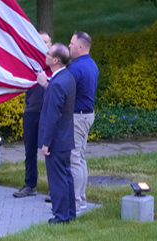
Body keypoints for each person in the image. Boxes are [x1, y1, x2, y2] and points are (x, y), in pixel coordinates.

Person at [38, 43, 77, 224]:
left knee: (57, 179)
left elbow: (53, 116)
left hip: (56, 140)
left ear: (55, 60)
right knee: (66, 176)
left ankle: (61, 216)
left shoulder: (57, 83)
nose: (45, 55)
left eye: (48, 53)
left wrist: (46, 143)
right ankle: (69, 213)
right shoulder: (67, 77)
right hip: (65, 137)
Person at [13, 32, 52, 198]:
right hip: (31, 112)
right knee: (29, 151)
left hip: (48, 114)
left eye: (46, 42)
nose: (43, 45)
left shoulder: (56, 65)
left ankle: (54, 189)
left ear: (51, 44)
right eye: (39, 41)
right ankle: (30, 185)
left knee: (51, 152)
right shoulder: (29, 63)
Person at [67, 31, 99, 213]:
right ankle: (82, 200)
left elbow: (63, 90)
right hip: (86, 114)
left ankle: (76, 203)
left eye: (71, 43)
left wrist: (46, 84)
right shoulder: (90, 64)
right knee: (80, 157)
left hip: (77, 117)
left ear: (80, 47)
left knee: (74, 160)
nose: (69, 46)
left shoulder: (76, 69)